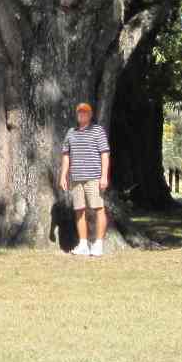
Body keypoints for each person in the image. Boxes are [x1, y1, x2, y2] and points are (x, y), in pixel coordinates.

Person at [59, 102, 111, 257]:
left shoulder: (97, 131)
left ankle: (99, 244)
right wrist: (63, 175)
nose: (82, 114)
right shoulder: (71, 133)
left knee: (98, 209)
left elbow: (104, 154)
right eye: (80, 112)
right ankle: (83, 244)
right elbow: (66, 156)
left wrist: (104, 176)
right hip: (76, 178)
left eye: (85, 112)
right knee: (79, 211)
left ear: (90, 114)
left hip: (93, 178)